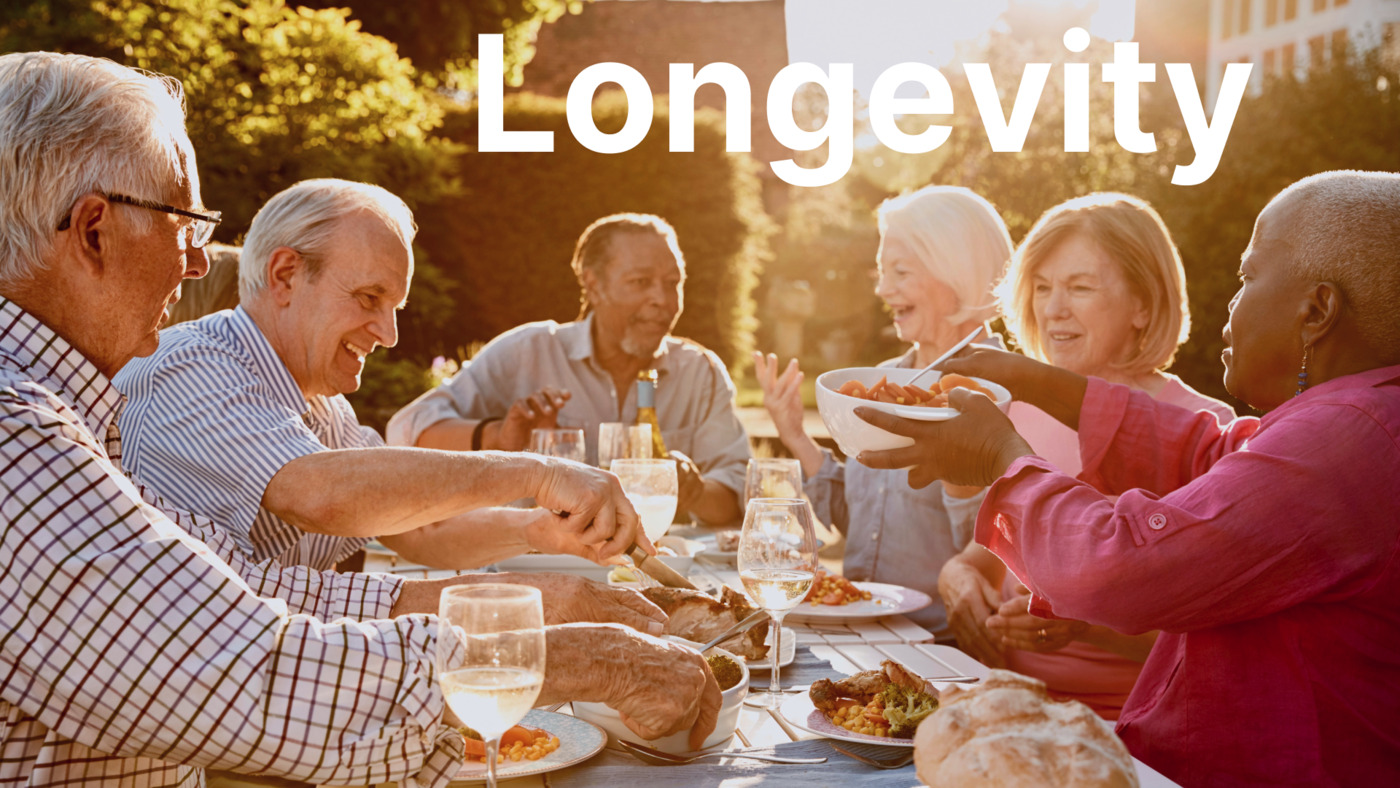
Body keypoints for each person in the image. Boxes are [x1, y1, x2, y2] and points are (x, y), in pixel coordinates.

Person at [0, 51, 719, 786]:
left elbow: (265, 596)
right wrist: (563, 630)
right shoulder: (32, 428)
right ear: (93, 232)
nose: (195, 265)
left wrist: (541, 579)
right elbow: (264, 658)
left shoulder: (78, 412)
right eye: (184, 224)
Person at [856, 170, 1400, 786]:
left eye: (1247, 277)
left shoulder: (1346, 438)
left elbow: (1120, 565)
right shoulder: (1351, 418)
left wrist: (1000, 461)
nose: (1231, 299)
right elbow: (1208, 452)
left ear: (1318, 311)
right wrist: (1037, 381)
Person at [117, 178, 647, 573]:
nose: (389, 335)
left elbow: (420, 526)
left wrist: (541, 531)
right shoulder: (193, 363)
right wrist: (540, 474)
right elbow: (322, 493)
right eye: (370, 298)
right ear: (285, 276)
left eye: (394, 307)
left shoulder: (322, 408)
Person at [936, 193, 1233, 720]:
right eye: (1044, 288)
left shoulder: (1203, 432)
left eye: (1079, 287)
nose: (1053, 309)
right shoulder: (1019, 412)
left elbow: (1215, 636)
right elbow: (983, 557)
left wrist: (1083, 625)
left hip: (1133, 720)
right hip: (1006, 700)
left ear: (1143, 303)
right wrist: (958, 582)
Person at [753, 185, 1012, 636]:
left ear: (957, 272)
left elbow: (1002, 547)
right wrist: (796, 435)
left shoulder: (1004, 390)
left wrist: (959, 475)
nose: (882, 288)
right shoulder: (885, 380)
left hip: (939, 646)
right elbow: (863, 515)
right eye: (880, 271)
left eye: (900, 272)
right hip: (858, 628)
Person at [388, 213, 751, 525]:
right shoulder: (529, 352)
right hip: (537, 566)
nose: (662, 299)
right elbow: (408, 429)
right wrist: (498, 437)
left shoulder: (699, 373)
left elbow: (738, 492)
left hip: (655, 571)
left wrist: (696, 491)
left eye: (673, 284)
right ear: (593, 285)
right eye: (640, 282)